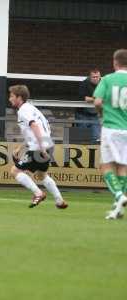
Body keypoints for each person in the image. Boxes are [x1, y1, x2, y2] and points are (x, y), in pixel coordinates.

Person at [9, 85, 68, 209]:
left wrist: (41, 148)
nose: (10, 99)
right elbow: (39, 129)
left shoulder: (23, 110)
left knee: (15, 171)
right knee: (42, 175)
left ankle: (38, 193)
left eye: (12, 96)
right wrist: (21, 147)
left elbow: (35, 126)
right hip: (49, 145)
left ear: (19, 97)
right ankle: (59, 201)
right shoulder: (33, 109)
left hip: (39, 148)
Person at [93, 49, 127, 220]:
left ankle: (120, 196)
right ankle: (118, 207)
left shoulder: (107, 79)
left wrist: (101, 112)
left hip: (111, 127)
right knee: (123, 167)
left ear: (115, 62)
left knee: (106, 165)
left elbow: (97, 101)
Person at [75, 69, 101, 142]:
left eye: (97, 77)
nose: (96, 79)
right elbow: (82, 98)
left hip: (95, 114)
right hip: (82, 114)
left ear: (100, 77)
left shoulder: (102, 84)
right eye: (93, 77)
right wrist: (96, 99)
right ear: (90, 77)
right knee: (83, 139)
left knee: (96, 138)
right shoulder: (84, 84)